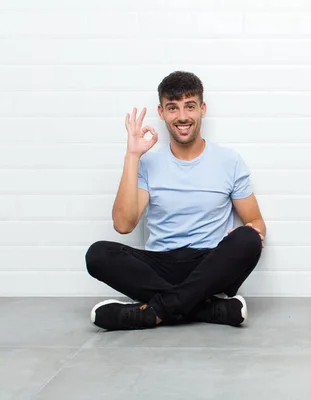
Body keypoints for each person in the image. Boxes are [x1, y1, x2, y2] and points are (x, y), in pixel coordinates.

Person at [85, 71, 266, 331]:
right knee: (99, 254)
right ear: (161, 112)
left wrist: (254, 231)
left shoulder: (229, 161)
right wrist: (132, 156)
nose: (182, 116)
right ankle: (208, 308)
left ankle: (151, 313)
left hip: (209, 265)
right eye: (173, 108)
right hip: (160, 265)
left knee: (248, 240)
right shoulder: (148, 163)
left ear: (202, 109)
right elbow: (123, 225)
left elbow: (256, 220)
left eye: (189, 106)